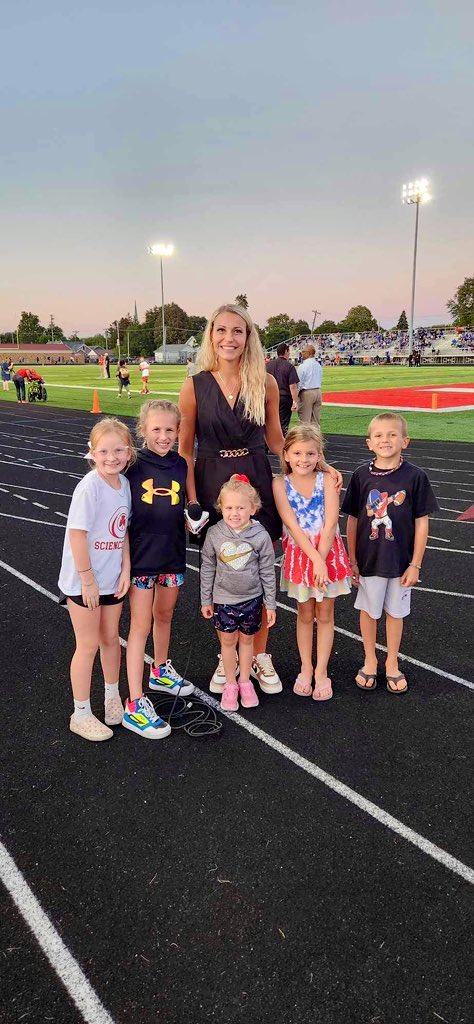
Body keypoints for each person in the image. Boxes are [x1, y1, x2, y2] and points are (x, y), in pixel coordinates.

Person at [179, 303, 342, 695]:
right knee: (225, 571)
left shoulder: (265, 382)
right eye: (221, 330)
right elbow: (185, 449)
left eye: (238, 330)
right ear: (211, 335)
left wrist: (319, 463)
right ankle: (229, 656)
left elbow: (275, 440)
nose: (229, 338)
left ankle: (259, 655)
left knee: (258, 566)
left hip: (255, 477)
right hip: (213, 482)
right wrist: (192, 500)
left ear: (248, 337)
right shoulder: (194, 385)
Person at [341, 413, 439, 694]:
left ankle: (392, 661)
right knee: (369, 611)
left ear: (405, 441)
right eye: (379, 435)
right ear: (369, 443)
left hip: (400, 562)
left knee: (396, 613)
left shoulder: (415, 476)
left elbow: (422, 522)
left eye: (392, 434)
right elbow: (353, 519)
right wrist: (352, 560)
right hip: (369, 560)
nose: (385, 440)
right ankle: (370, 659)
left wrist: (415, 564)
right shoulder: (361, 475)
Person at [58, 418, 134, 741]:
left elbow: (123, 529)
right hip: (84, 582)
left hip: (112, 578)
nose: (111, 457)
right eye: (103, 451)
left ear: (128, 452)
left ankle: (112, 697)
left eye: (118, 450)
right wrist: (87, 579)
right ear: (92, 453)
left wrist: (126, 568)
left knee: (111, 638)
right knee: (88, 645)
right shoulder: (89, 487)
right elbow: (77, 534)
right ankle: (80, 713)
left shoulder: (124, 484)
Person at [123, 399, 194, 740]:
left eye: (169, 429)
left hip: (172, 554)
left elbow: (183, 505)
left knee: (164, 615)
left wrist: (191, 519)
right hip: (141, 557)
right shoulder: (132, 464)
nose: (163, 436)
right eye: (156, 429)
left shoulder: (181, 464)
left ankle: (160, 669)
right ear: (143, 430)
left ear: (178, 431)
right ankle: (135, 702)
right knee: (140, 626)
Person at [273, 426, 351, 700]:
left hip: (328, 553)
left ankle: (321, 671)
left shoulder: (327, 480)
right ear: (286, 455)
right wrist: (315, 560)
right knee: (305, 614)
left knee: (326, 614)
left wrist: (322, 559)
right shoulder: (279, 484)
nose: (303, 459)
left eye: (310, 453)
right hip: (302, 556)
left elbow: (330, 523)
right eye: (297, 453)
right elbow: (292, 526)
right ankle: (306, 667)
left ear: (319, 455)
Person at [201, 474, 276, 711]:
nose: (235, 513)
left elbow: (267, 571)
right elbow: (207, 567)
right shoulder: (214, 534)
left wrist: (270, 603)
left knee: (247, 641)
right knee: (227, 641)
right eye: (229, 508)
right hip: (224, 600)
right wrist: (206, 599)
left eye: (241, 508)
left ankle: (245, 681)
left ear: (253, 509)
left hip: (251, 600)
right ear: (221, 508)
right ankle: (230, 684)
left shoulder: (261, 536)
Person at [265, 342, 299, 435]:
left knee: (269, 421)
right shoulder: (289, 366)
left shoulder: (268, 365)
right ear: (286, 351)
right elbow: (293, 386)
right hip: (284, 398)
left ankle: (268, 442)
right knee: (283, 424)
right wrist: (296, 401)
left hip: (269, 397)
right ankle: (281, 441)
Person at [297, 344, 323, 425]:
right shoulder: (318, 365)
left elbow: (299, 382)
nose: (302, 353)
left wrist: (296, 396)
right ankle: (316, 433)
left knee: (305, 419)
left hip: (307, 392)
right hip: (317, 391)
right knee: (316, 420)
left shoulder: (303, 366)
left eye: (303, 352)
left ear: (309, 353)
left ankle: (305, 433)